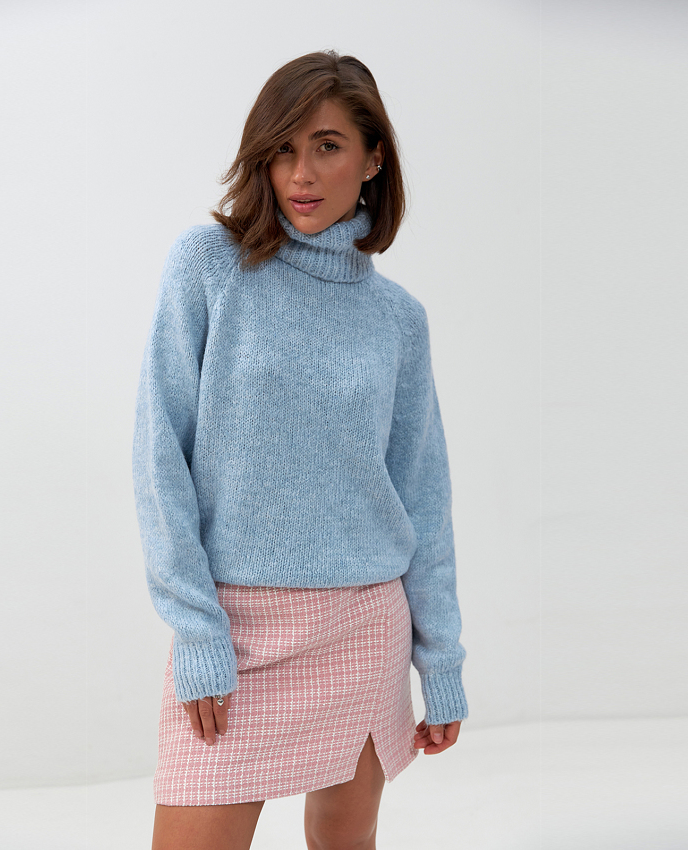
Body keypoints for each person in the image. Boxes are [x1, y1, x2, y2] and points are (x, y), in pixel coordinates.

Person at [132, 49, 468, 850]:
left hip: (365, 625)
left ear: (373, 157)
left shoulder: (398, 319)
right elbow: (158, 457)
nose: (301, 174)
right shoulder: (209, 267)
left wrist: (442, 661)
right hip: (237, 630)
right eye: (282, 149)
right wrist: (198, 629)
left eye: (327, 145)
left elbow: (422, 495)